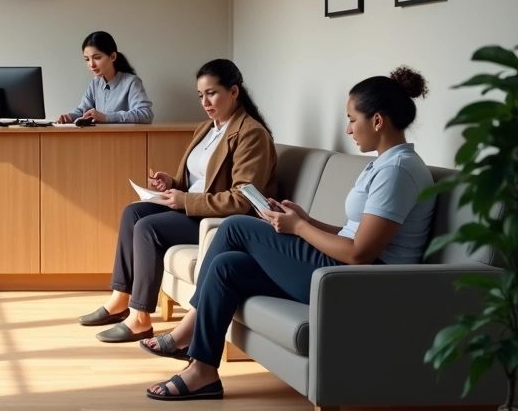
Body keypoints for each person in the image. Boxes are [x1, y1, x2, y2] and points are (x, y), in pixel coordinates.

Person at [139, 67, 434, 401]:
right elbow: (356, 233)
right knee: (227, 268)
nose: (348, 129)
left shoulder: (397, 172)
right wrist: (308, 220)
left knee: (237, 226)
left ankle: (188, 330)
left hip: (359, 281)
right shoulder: (384, 164)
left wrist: (299, 228)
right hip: (341, 268)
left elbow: (360, 253)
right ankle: (203, 370)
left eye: (352, 119)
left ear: (377, 121)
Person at [77, 59, 277, 343]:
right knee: (132, 213)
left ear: (234, 92)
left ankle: (140, 319)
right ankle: (119, 299)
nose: (205, 102)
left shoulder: (251, 134)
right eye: (200, 95)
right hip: (194, 207)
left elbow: (241, 199)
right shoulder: (207, 129)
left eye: (212, 93)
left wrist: (185, 200)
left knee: (148, 228)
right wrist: (171, 183)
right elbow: (198, 180)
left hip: (217, 219)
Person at [56, 31, 154, 124]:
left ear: (113, 56)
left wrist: (106, 117)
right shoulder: (95, 84)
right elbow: (83, 110)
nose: (91, 64)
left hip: (125, 140)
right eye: (87, 59)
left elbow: (145, 114)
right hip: (99, 139)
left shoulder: (131, 82)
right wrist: (69, 116)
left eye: (97, 58)